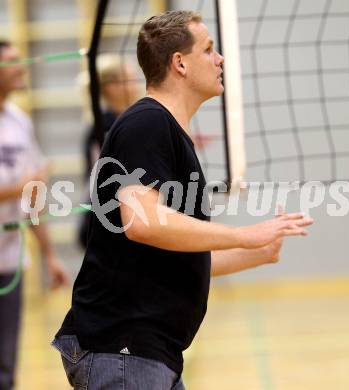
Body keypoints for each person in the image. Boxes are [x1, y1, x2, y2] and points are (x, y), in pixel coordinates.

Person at [52, 11, 313, 390]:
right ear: (180, 63)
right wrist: (243, 234)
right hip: (123, 348)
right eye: (209, 49)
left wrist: (259, 250)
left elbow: (175, 261)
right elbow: (142, 222)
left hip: (147, 352)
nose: (220, 58)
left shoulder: (167, 131)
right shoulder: (147, 123)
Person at [0, 40, 69, 390]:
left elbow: (33, 197)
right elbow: (24, 185)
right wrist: (21, 185)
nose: (21, 66)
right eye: (12, 61)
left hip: (10, 261)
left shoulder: (19, 122)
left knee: (6, 368)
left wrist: (50, 255)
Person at [78, 54, 140, 247]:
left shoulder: (134, 118)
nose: (135, 84)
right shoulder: (104, 126)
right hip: (109, 221)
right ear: (110, 87)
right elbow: (106, 176)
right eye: (128, 79)